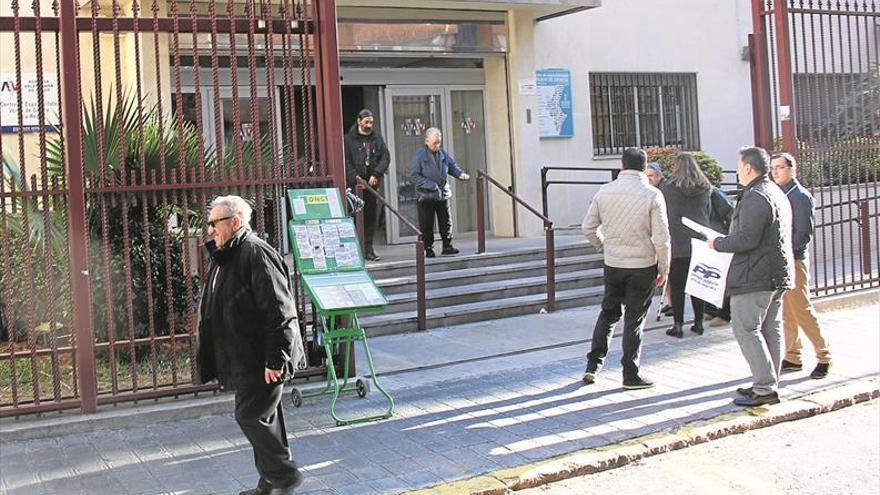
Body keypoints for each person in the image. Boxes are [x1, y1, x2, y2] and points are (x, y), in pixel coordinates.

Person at [197, 195, 306, 495]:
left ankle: (284, 476)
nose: (210, 230)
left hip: (264, 357)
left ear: (235, 222)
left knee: (250, 415)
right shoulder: (228, 254)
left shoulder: (255, 252)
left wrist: (275, 359)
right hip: (246, 357)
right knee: (265, 416)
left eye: (214, 223)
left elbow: (279, 309)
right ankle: (269, 482)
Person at [708, 147, 794, 407]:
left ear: (747, 168)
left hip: (755, 275)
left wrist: (718, 243)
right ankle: (767, 381)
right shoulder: (774, 191)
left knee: (746, 329)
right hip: (775, 273)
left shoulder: (755, 196)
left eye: (738, 167)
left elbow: (748, 237)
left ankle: (765, 387)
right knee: (770, 328)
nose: (736, 172)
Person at [581, 148, 670, 390]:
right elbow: (661, 238)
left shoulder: (605, 191)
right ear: (644, 167)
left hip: (613, 263)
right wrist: (664, 267)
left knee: (608, 313)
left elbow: (588, 228)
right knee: (634, 319)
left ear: (622, 165)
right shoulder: (652, 194)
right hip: (642, 265)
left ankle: (593, 365)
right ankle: (630, 374)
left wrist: (603, 246)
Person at [770, 152, 832, 379]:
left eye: (780, 167)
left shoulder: (800, 197)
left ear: (792, 169)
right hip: (782, 259)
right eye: (773, 167)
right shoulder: (780, 193)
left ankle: (824, 356)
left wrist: (782, 252)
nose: (775, 171)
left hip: (794, 260)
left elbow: (803, 235)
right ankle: (793, 355)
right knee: (787, 310)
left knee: (802, 309)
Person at [660, 153, 712, 338]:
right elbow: (708, 212)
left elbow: (664, 213)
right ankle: (698, 323)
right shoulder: (705, 187)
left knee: (677, 285)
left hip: (677, 241)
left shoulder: (668, 187)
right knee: (698, 284)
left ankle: (678, 324)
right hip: (699, 241)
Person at [410, 127, 470, 257]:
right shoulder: (420, 154)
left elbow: (451, 165)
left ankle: (447, 245)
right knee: (427, 223)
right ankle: (428, 247)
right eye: (434, 143)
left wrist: (460, 174)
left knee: (446, 221)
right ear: (427, 141)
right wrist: (430, 185)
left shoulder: (442, 152)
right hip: (426, 195)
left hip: (442, 193)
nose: (437, 146)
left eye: (439, 142)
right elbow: (414, 175)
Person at [344, 109, 390, 261]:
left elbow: (385, 157)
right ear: (359, 121)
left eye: (371, 122)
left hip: (371, 186)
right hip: (354, 186)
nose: (369, 125)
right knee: (355, 218)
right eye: (366, 122)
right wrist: (355, 178)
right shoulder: (349, 139)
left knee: (370, 218)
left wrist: (376, 174)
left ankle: (368, 250)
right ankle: (355, 251)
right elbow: (346, 161)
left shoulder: (377, 138)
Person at [703, 184, 735, 327]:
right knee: (708, 276)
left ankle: (724, 313)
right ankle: (710, 309)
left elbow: (731, 215)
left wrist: (726, 237)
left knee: (724, 278)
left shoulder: (714, 194)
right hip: (707, 241)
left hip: (720, 240)